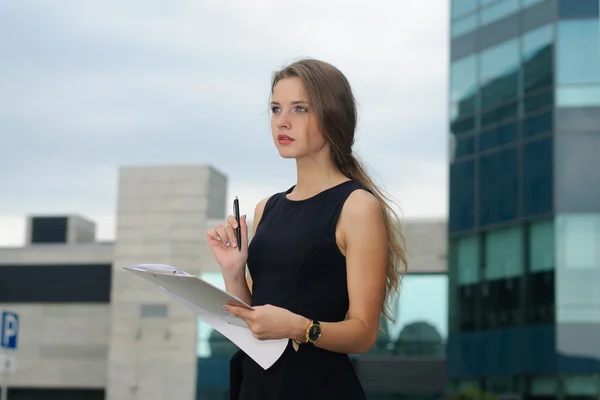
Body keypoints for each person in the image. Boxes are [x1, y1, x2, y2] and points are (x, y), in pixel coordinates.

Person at [206, 58, 408, 400]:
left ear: (333, 116)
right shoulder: (265, 209)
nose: (282, 121)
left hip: (319, 387)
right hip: (258, 388)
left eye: (300, 109)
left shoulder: (357, 206)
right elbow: (254, 324)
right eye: (275, 108)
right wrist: (234, 273)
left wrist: (301, 328)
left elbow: (363, 334)